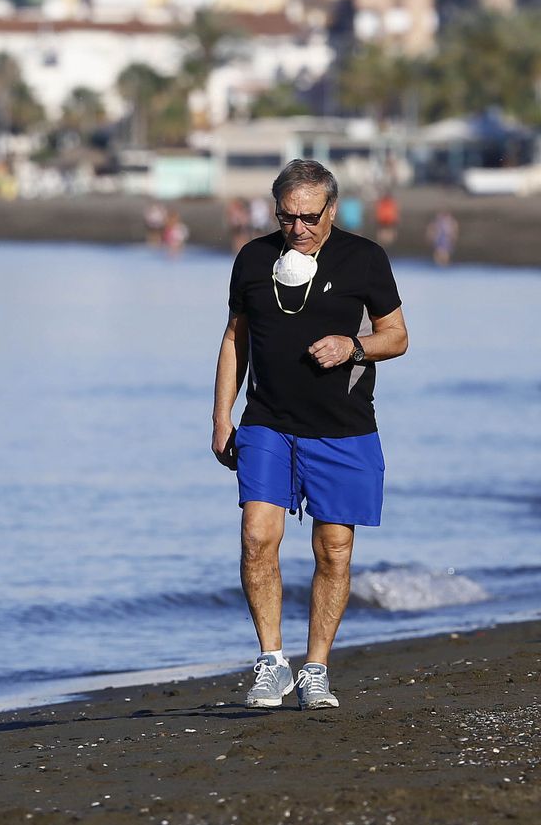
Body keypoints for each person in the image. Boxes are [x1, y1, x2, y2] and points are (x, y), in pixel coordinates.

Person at [212, 158, 408, 711]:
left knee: (335, 550)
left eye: (307, 217)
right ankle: (272, 663)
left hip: (342, 429)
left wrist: (355, 346)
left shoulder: (364, 258)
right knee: (257, 537)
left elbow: (397, 336)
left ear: (331, 208)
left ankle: (315, 668)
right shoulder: (253, 258)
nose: (296, 228)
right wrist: (220, 416)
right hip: (268, 423)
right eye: (285, 217)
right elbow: (234, 339)